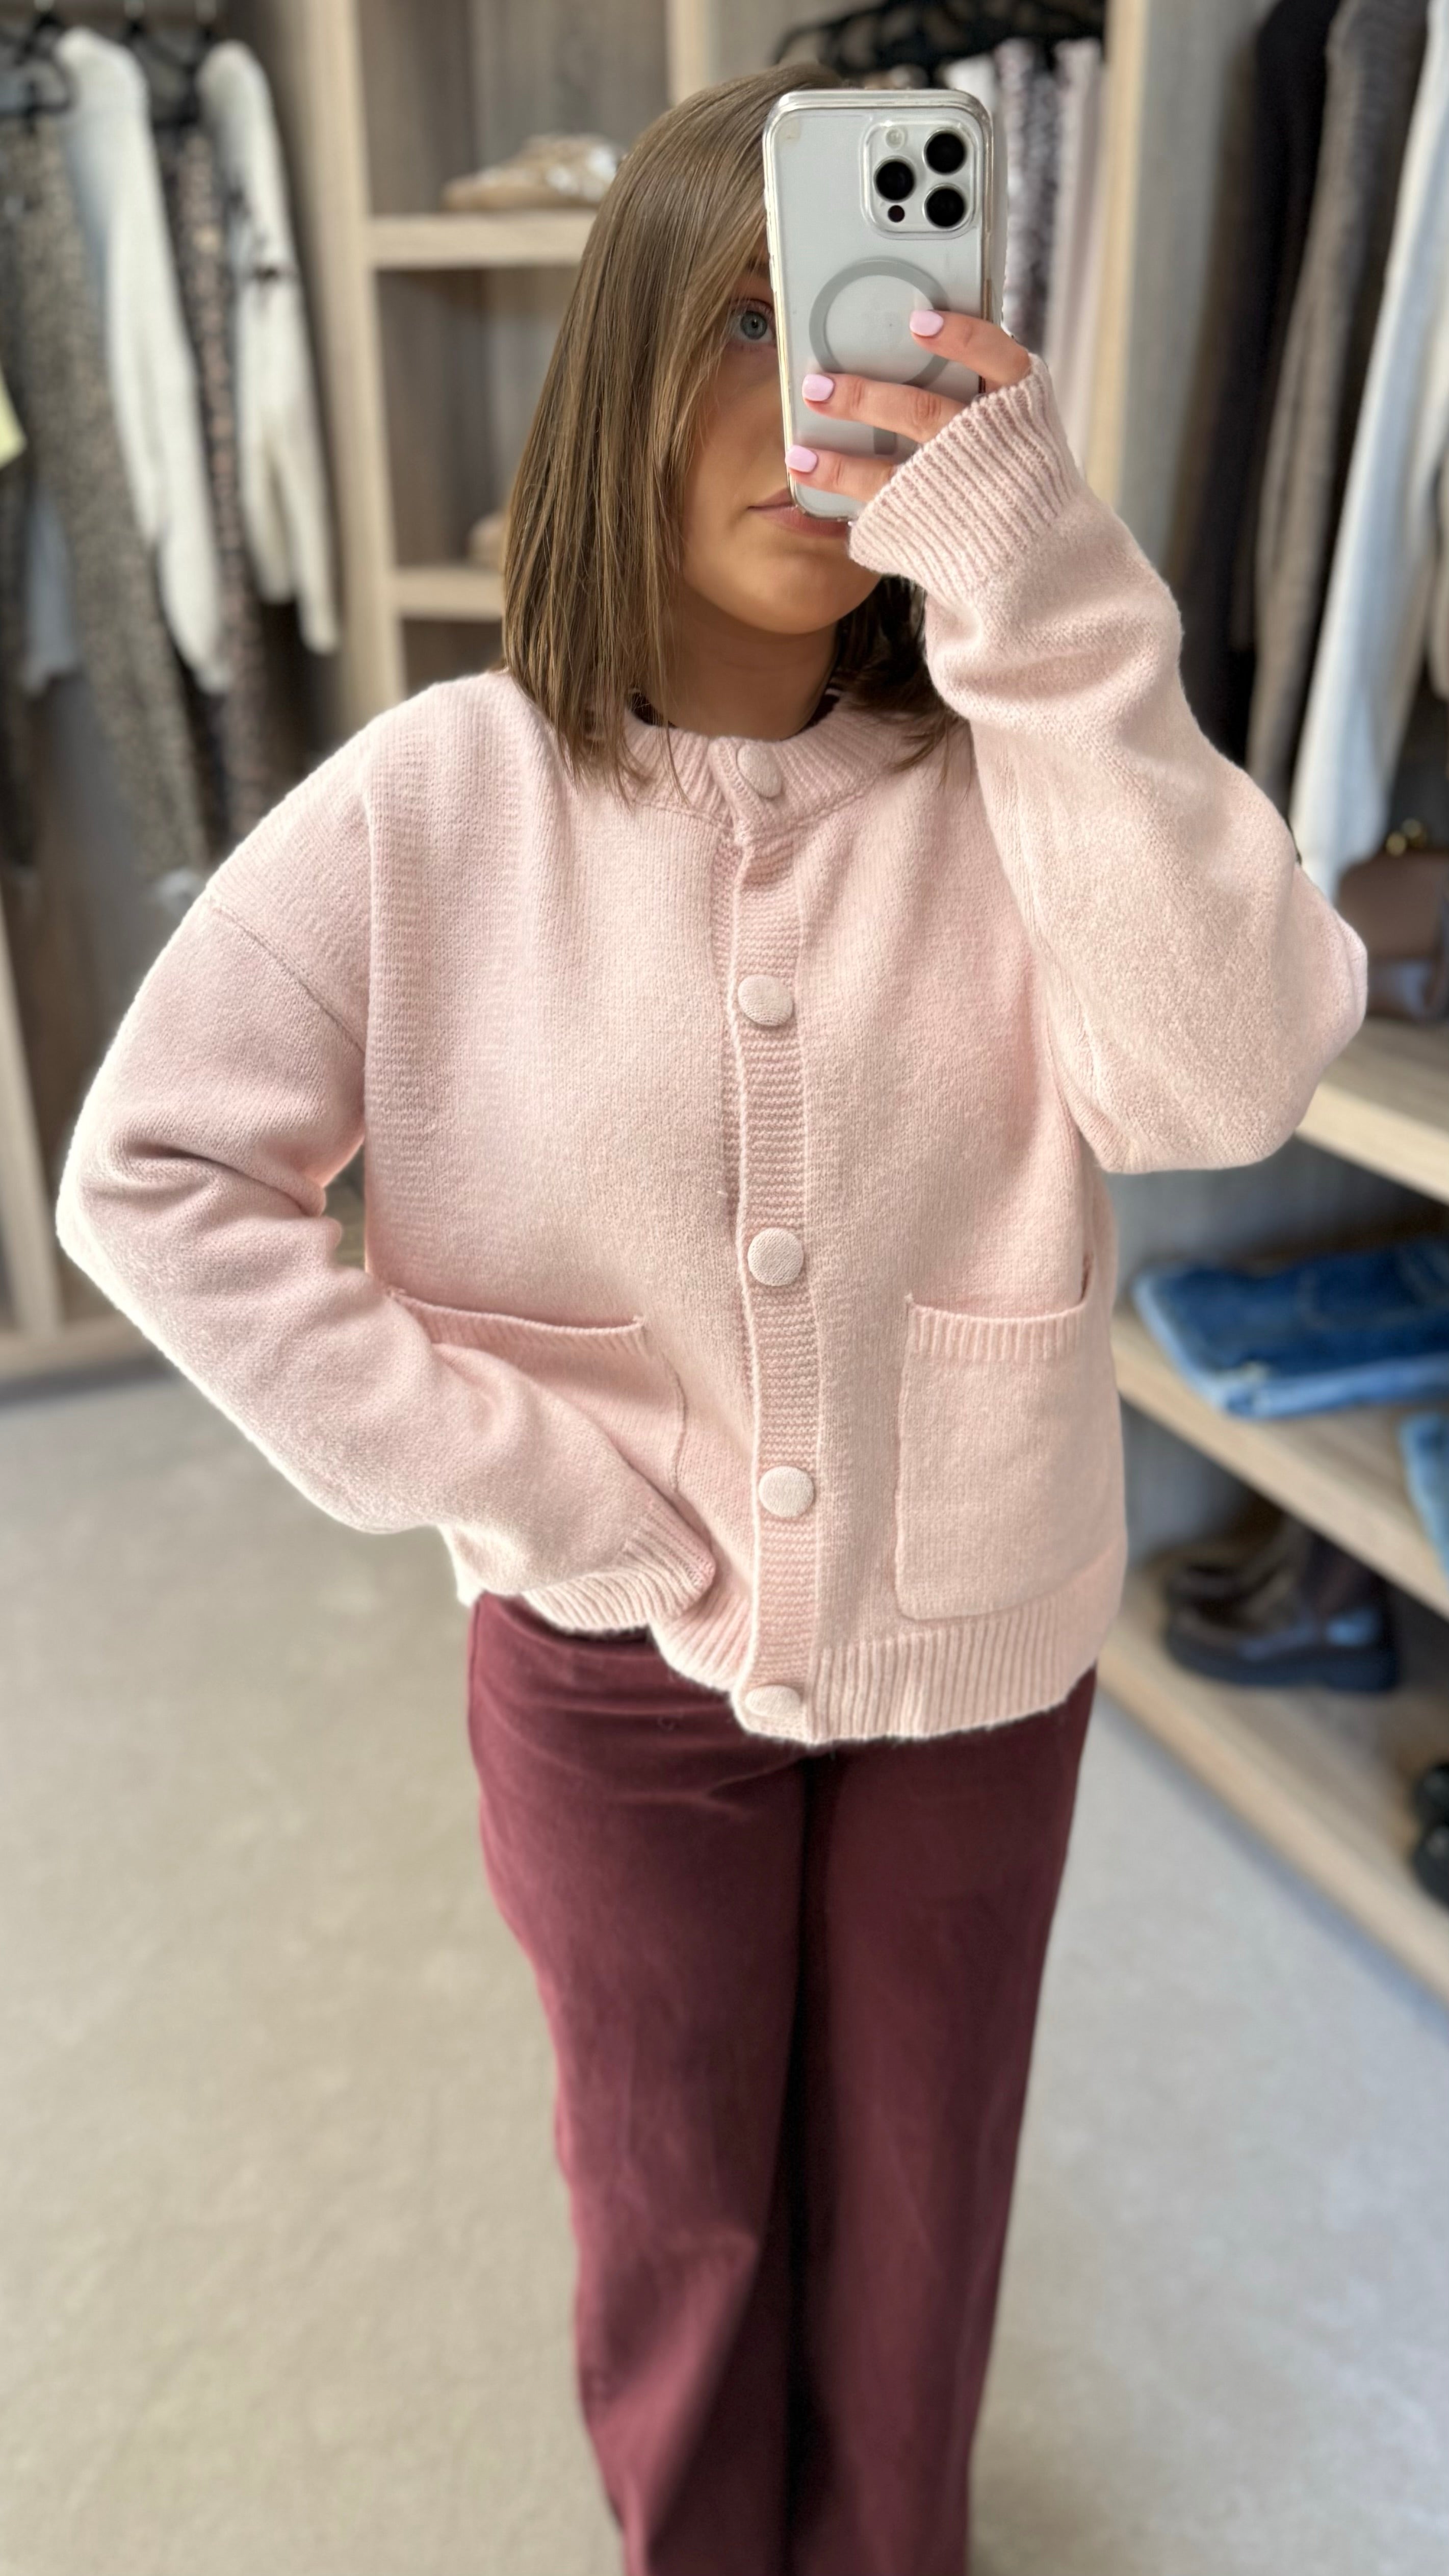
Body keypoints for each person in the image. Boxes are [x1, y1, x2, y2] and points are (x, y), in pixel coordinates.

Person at [55, 59, 1367, 2576]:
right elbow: (156, 1176)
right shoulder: (440, 799)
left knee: (922, 2214)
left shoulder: (1028, 780)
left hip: (978, 1639)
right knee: (677, 2211)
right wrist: (528, 1480)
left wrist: (1045, 591)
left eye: (870, 311)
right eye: (745, 320)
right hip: (607, 1661)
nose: (819, 389)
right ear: (624, 373)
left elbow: (1223, 1075)